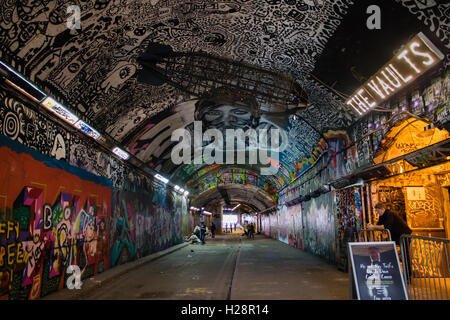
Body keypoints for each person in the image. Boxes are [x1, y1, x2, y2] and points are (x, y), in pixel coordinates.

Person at [367, 202, 412, 281]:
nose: (377, 213)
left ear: (382, 209)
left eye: (378, 211)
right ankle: (396, 273)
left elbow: (385, 226)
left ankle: (408, 276)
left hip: (404, 236)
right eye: (376, 211)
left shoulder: (389, 214)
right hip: (397, 237)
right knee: (396, 254)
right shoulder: (382, 216)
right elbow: (378, 225)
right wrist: (372, 226)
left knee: (405, 255)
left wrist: (373, 227)